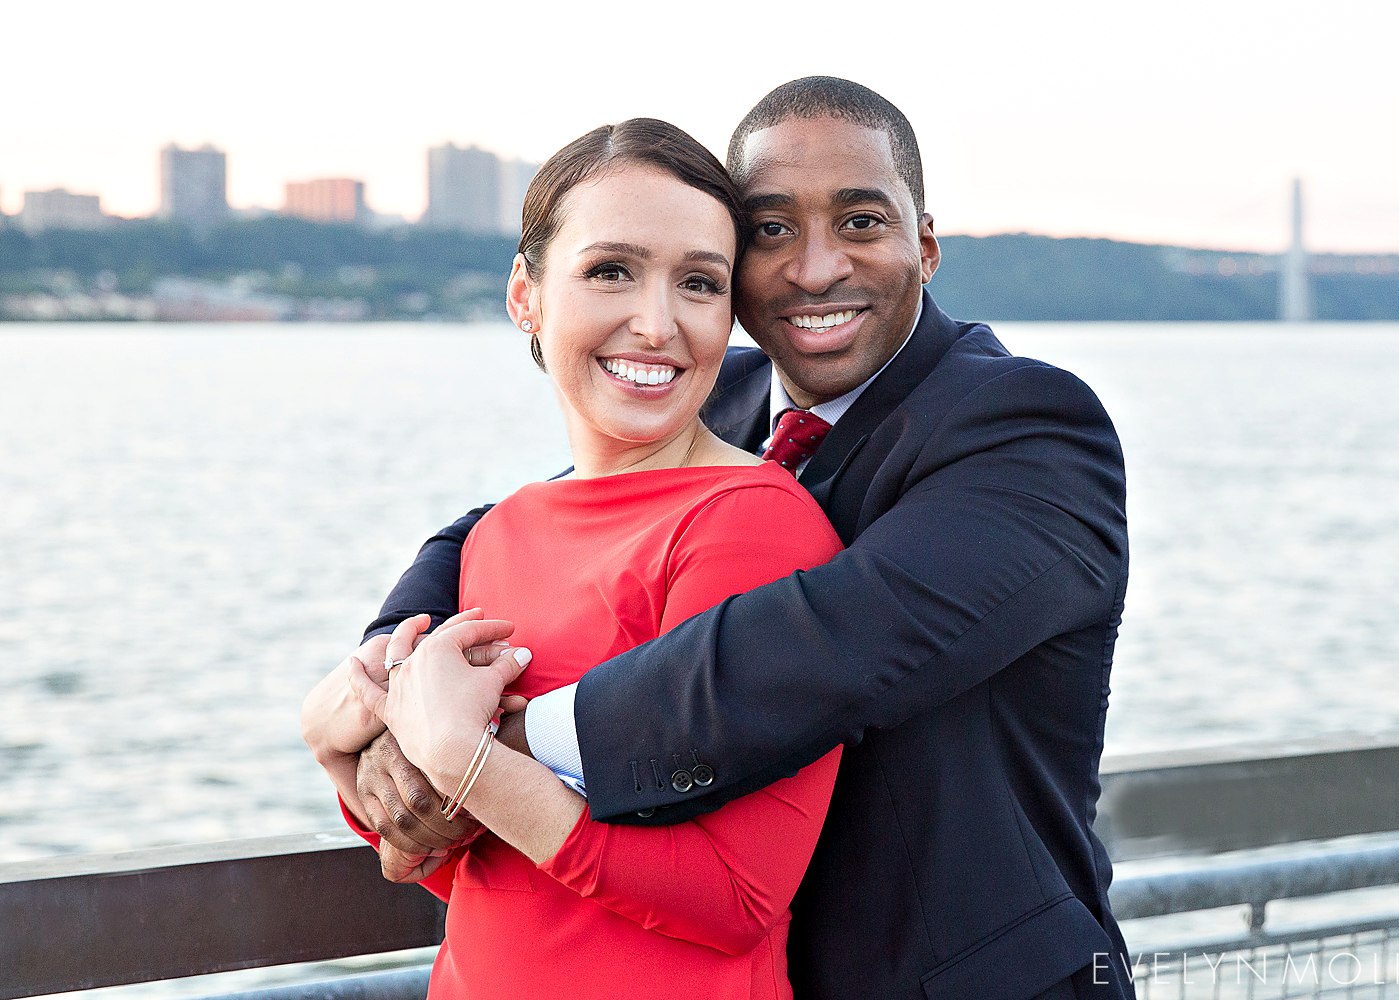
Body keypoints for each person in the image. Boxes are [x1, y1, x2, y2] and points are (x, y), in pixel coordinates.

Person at [356, 78, 1135, 1000]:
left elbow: (826, 648)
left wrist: (485, 737)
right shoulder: (720, 395)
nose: (814, 269)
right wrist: (386, 669)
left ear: (924, 246)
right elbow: (515, 524)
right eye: (771, 230)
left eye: (860, 223)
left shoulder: (1029, 429)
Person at [302, 118, 844, 1000]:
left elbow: (734, 897)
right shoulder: (498, 533)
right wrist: (339, 752)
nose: (657, 323)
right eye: (610, 271)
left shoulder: (752, 524)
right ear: (527, 295)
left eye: (699, 283)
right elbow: (449, 868)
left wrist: (470, 763)